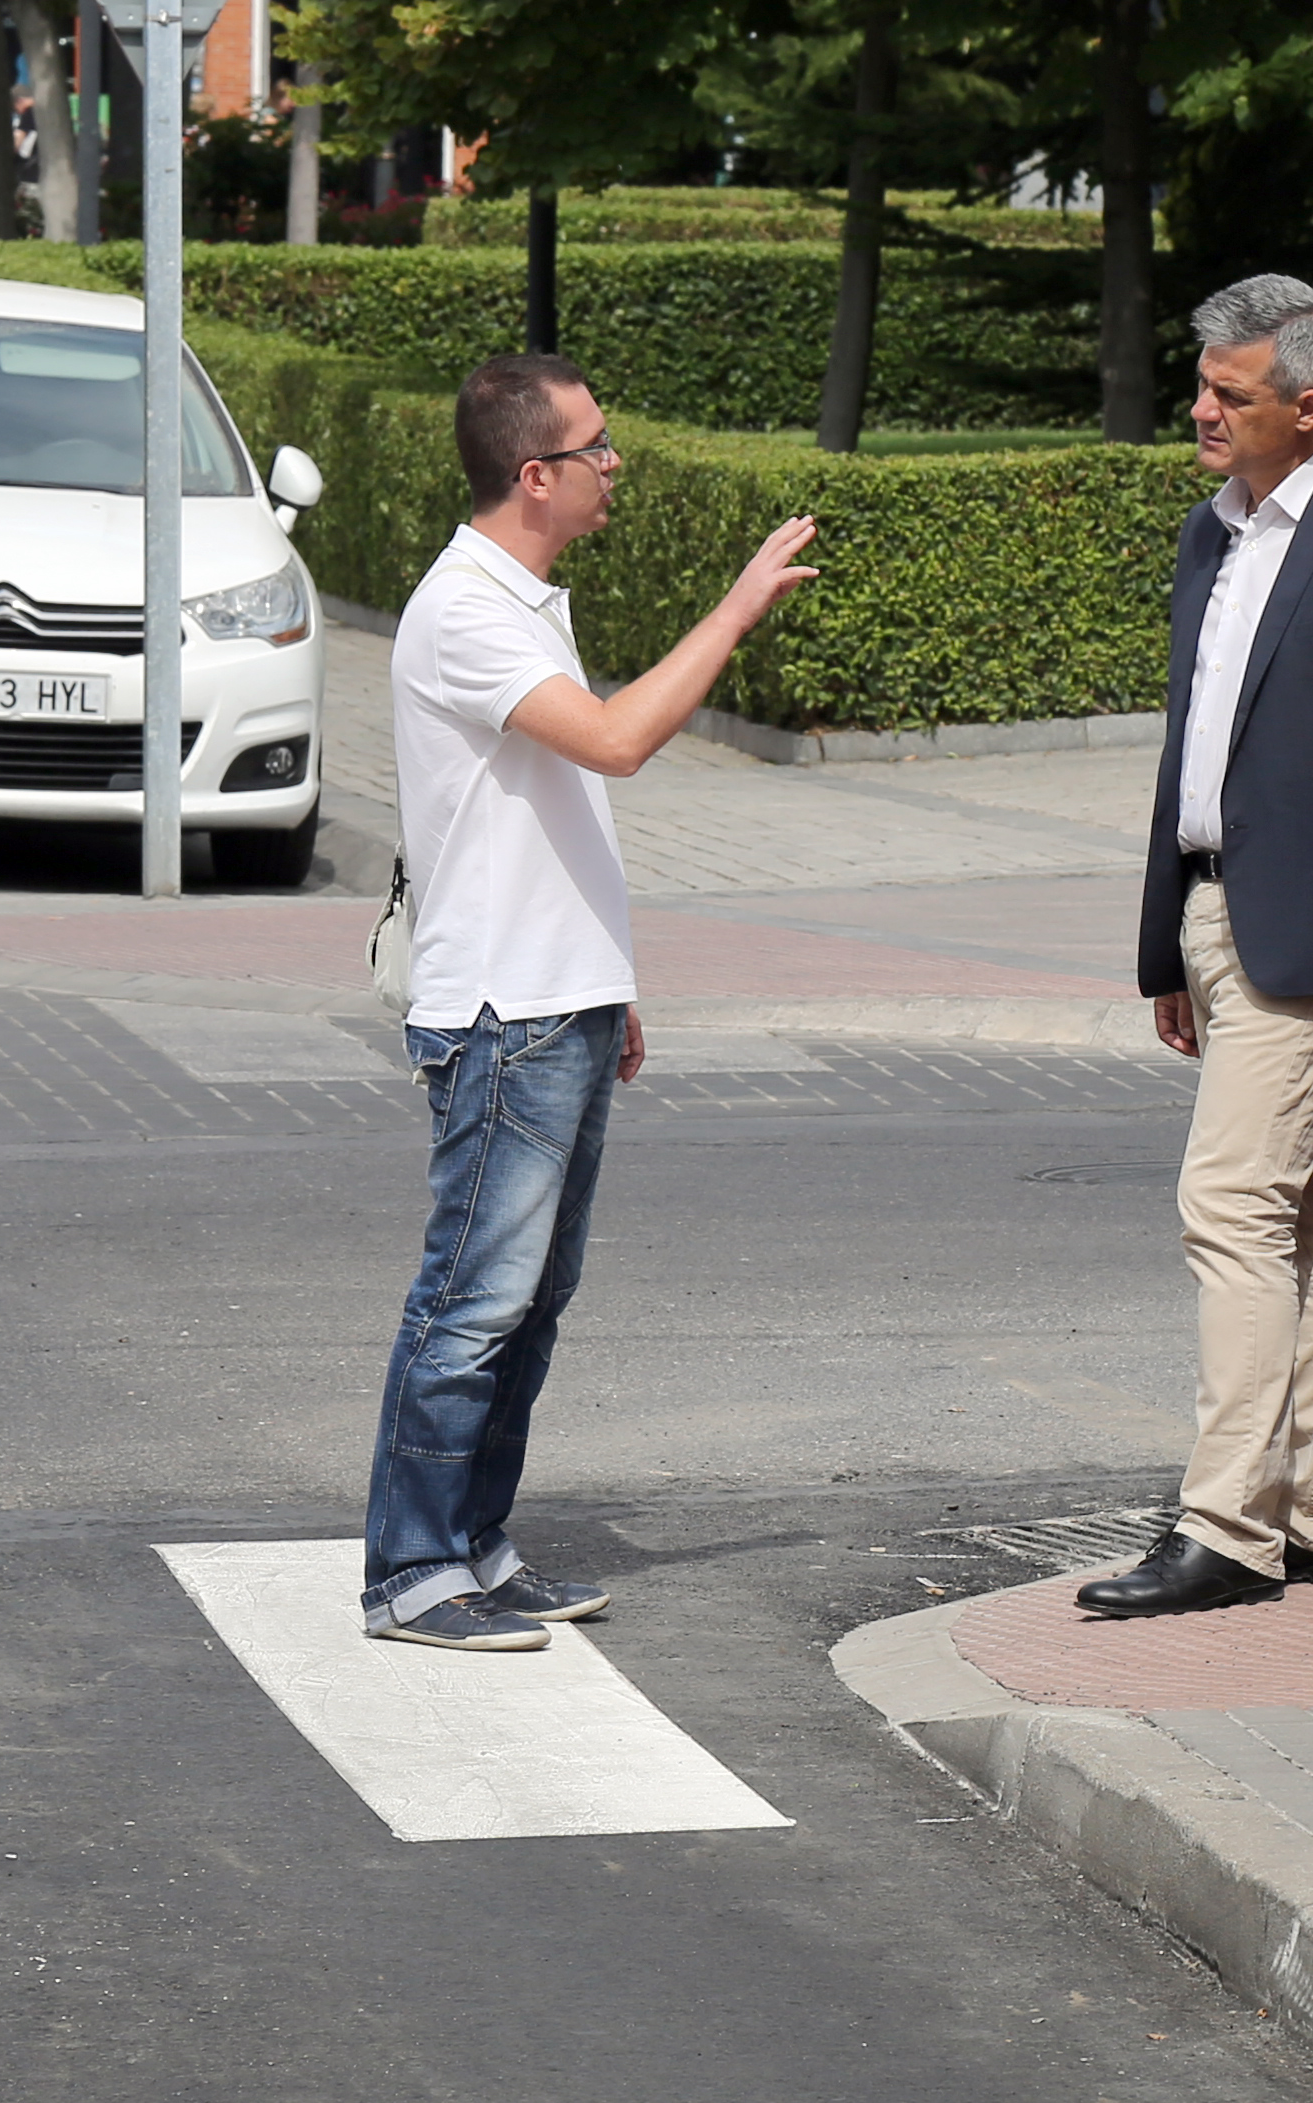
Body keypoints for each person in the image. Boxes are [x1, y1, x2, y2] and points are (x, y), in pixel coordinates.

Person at [361, 355, 820, 1650]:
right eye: (598, 446)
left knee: (530, 1298)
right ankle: (412, 1571)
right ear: (535, 474)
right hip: (503, 1010)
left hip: (554, 1000)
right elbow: (615, 743)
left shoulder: (520, 598)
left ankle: (473, 1546)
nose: (617, 464)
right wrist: (733, 612)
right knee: (472, 1296)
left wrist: (609, 987)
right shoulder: (466, 610)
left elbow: (547, 818)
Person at [1074, 276, 1313, 1620]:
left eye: (1226, 395)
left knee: (1228, 1207)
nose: (1199, 411)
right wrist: (1164, 944)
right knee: (1289, 1221)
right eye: (1200, 386)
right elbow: (1196, 743)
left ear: (1309, 405)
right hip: (1216, 910)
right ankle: (1307, 1513)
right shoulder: (1210, 532)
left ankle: (1227, 1526)